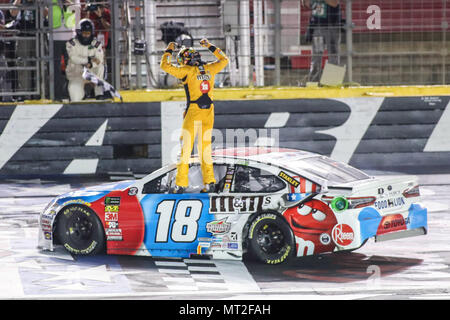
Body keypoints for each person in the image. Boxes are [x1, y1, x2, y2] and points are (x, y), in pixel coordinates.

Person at [160, 39, 229, 193]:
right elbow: (225, 59)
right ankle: (209, 182)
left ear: (186, 60)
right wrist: (209, 45)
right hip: (209, 111)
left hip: (194, 111)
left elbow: (164, 66)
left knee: (186, 149)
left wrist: (169, 50)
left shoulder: (187, 71)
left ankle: (181, 183)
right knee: (205, 149)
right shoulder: (210, 69)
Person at [302, 0, 342, 82]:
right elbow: (306, 4)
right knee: (316, 54)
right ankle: (313, 81)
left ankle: (332, 82)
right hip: (318, 27)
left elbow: (334, 3)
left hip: (332, 27)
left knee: (333, 54)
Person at [65, 18, 104, 101]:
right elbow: (73, 58)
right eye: (84, 33)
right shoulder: (71, 43)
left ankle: (99, 93)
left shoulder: (96, 44)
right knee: (75, 98)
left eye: (88, 33)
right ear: (79, 32)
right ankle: (82, 94)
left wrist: (91, 64)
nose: (86, 35)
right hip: (77, 74)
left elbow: (99, 59)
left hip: (91, 72)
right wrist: (88, 60)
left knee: (101, 66)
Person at [50, 0, 80, 101]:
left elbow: (78, 10)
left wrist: (67, 2)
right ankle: (57, 95)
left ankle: (70, 93)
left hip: (70, 38)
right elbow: (44, 10)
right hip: (54, 37)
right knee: (55, 69)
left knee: (71, 68)